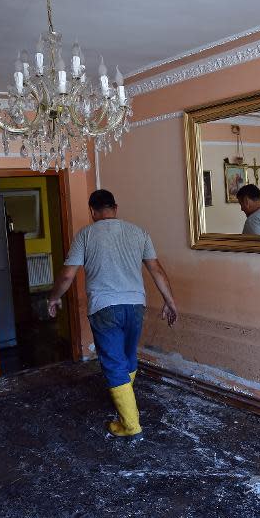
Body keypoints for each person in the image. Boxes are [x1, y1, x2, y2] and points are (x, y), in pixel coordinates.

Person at [47, 189, 178, 441]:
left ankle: (131, 425)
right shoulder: (139, 232)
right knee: (128, 357)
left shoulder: (85, 234)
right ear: (115, 208)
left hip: (105, 307)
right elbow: (157, 270)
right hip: (136, 305)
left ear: (92, 211)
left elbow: (67, 275)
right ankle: (125, 408)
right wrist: (170, 301)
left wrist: (53, 298)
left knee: (113, 362)